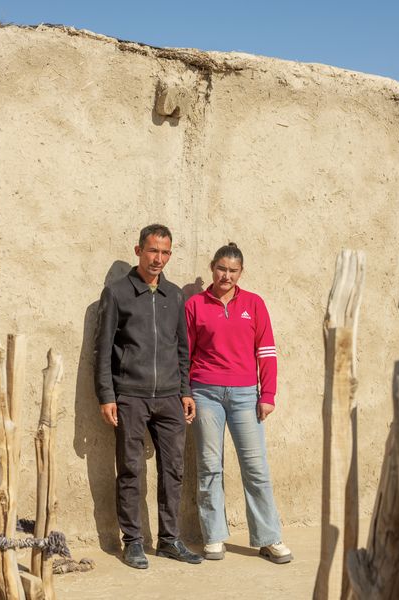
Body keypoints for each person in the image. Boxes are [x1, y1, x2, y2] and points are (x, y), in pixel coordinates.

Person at [94, 223, 203, 569]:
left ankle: (169, 540)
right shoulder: (116, 293)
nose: (159, 258)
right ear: (139, 250)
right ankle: (133, 541)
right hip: (130, 396)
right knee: (130, 470)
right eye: (153, 250)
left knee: (173, 470)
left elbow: (182, 348)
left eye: (165, 252)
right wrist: (107, 395)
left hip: (170, 397)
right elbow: (102, 349)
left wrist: (185, 391)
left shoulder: (174, 295)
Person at [184, 242, 293, 564]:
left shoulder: (254, 304)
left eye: (233, 271)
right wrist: (185, 392)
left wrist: (268, 395)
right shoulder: (194, 305)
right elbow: (184, 353)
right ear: (212, 268)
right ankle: (214, 536)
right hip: (205, 393)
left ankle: (268, 538)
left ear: (241, 272)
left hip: (246, 395)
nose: (226, 276)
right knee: (209, 466)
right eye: (221, 269)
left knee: (255, 468)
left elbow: (266, 351)